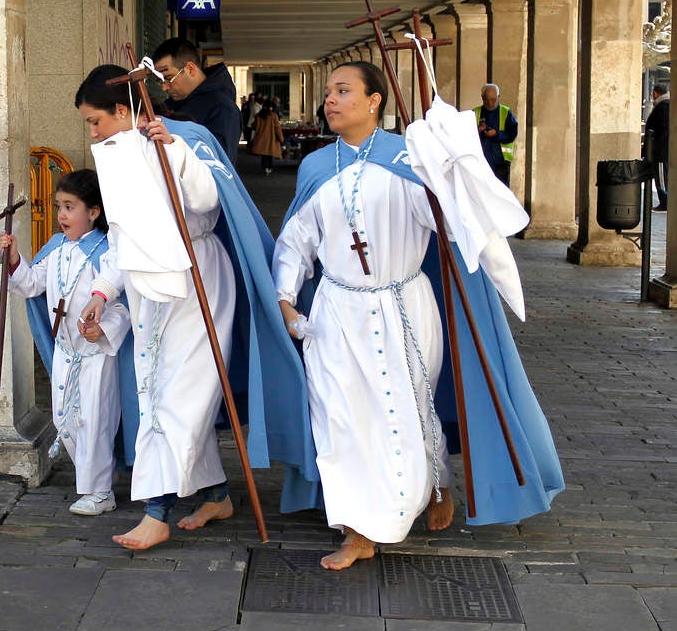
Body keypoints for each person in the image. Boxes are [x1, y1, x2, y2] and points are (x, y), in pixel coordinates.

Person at [273, 61, 564, 570]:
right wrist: (285, 296)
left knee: (403, 411)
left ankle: (431, 486)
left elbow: (450, 225)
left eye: (343, 91)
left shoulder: (410, 159)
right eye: (328, 93)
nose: (331, 101)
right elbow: (297, 239)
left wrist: (444, 169)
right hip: (336, 310)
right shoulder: (315, 166)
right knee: (339, 418)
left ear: (375, 100)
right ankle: (359, 528)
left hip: (401, 304)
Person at [74, 65, 318, 551]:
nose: (93, 133)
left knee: (181, 392)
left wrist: (175, 152)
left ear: (123, 110)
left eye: (95, 121)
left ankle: (156, 509)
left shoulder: (183, 137)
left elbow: (209, 199)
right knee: (160, 389)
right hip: (147, 287)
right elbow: (126, 236)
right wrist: (103, 292)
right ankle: (217, 493)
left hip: (196, 278)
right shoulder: (117, 156)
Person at [0, 170, 134, 516]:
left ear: (94, 212)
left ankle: (99, 492)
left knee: (95, 420)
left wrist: (105, 331)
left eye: (70, 207)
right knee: (66, 419)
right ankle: (93, 479)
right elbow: (31, 284)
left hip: (97, 353)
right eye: (59, 206)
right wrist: (13, 259)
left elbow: (124, 305)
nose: (62, 215)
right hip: (66, 352)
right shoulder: (55, 248)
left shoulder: (108, 252)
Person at [151, 38, 242, 165]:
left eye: (168, 78)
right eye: (160, 81)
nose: (164, 87)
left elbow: (219, 165)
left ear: (190, 69)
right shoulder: (170, 105)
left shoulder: (223, 108)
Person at [473, 83, 518, 186]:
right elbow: (466, 135)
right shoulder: (475, 113)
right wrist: (477, 130)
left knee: (501, 194)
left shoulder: (506, 112)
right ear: (482, 98)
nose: (489, 103)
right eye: (486, 100)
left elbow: (512, 134)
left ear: (498, 97)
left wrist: (497, 134)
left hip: (500, 163)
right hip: (480, 162)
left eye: (493, 100)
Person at [646, 83, 670, 211]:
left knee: (661, 176)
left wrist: (656, 147)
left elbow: (663, 130)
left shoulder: (663, 106)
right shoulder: (665, 105)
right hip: (662, 149)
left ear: (655, 93)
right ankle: (664, 201)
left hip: (661, 151)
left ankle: (665, 201)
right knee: (663, 175)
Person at [250, 97, 284, 175]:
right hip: (271, 139)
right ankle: (269, 167)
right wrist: (281, 139)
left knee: (264, 155)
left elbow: (254, 126)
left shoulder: (258, 116)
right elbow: (277, 128)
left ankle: (265, 167)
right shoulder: (273, 116)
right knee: (269, 155)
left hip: (261, 138)